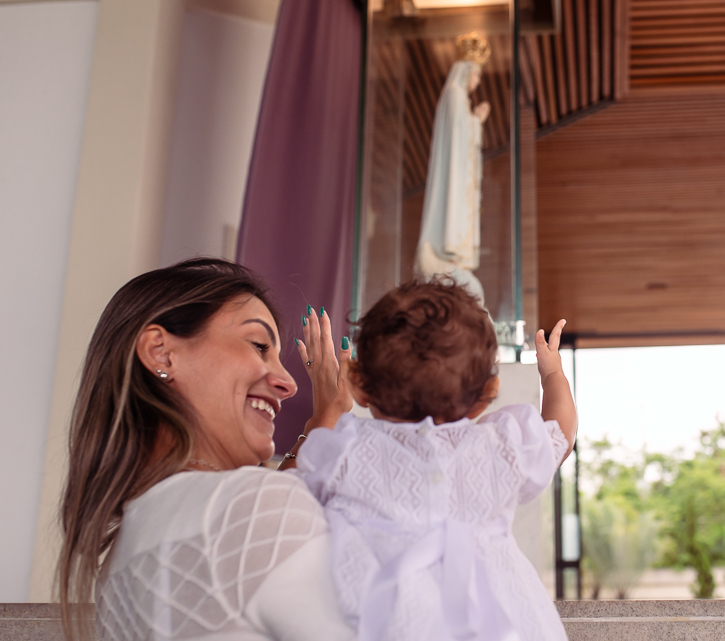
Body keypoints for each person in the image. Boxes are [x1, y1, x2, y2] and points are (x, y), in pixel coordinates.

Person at [58, 258, 355, 641]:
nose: (288, 383)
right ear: (161, 352)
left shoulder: (118, 564)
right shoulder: (246, 510)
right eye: (259, 345)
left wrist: (322, 423)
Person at [291, 278, 578, 641]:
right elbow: (561, 432)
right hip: (508, 623)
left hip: (387, 622)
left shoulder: (342, 451)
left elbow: (286, 500)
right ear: (486, 395)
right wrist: (552, 374)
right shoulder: (501, 446)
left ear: (358, 385)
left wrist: (324, 414)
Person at [414, 33, 491, 304]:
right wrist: (477, 121)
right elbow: (460, 138)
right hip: (454, 175)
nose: (477, 81)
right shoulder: (455, 95)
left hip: (459, 172)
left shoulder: (457, 98)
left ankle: (453, 255)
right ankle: (448, 250)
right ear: (466, 70)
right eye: (476, 75)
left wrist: (474, 120)